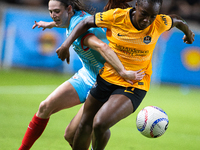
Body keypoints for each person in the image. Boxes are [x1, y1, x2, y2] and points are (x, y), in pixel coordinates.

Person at [55, 0, 195, 149]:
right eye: (144, 14)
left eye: (153, 16)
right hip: (107, 77)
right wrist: (66, 44)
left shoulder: (159, 23)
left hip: (135, 83)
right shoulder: (117, 17)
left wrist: (188, 33)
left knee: (100, 123)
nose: (147, 20)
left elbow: (177, 20)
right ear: (137, 7)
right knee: (84, 123)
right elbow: (85, 23)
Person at [18, 0, 143, 149]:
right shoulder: (75, 17)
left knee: (71, 134)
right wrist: (49, 24)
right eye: (50, 11)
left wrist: (123, 71)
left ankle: (100, 132)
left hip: (103, 81)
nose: (53, 15)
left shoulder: (80, 28)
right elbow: (67, 23)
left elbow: (102, 47)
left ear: (69, 8)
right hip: (87, 74)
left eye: (56, 11)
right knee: (45, 106)